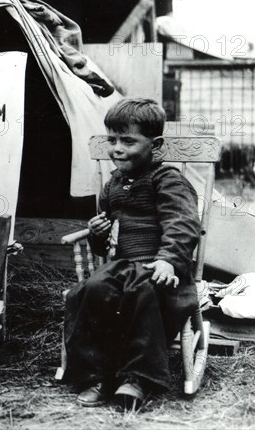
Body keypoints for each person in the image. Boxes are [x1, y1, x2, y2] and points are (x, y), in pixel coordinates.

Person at [63, 98, 201, 409]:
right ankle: (96, 374)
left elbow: (183, 223)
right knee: (92, 289)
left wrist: (168, 259)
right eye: (111, 140)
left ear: (157, 145)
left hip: (162, 270)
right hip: (124, 266)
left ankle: (137, 377)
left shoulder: (167, 180)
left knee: (142, 290)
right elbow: (103, 245)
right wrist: (98, 234)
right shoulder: (113, 184)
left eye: (128, 141)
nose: (117, 149)